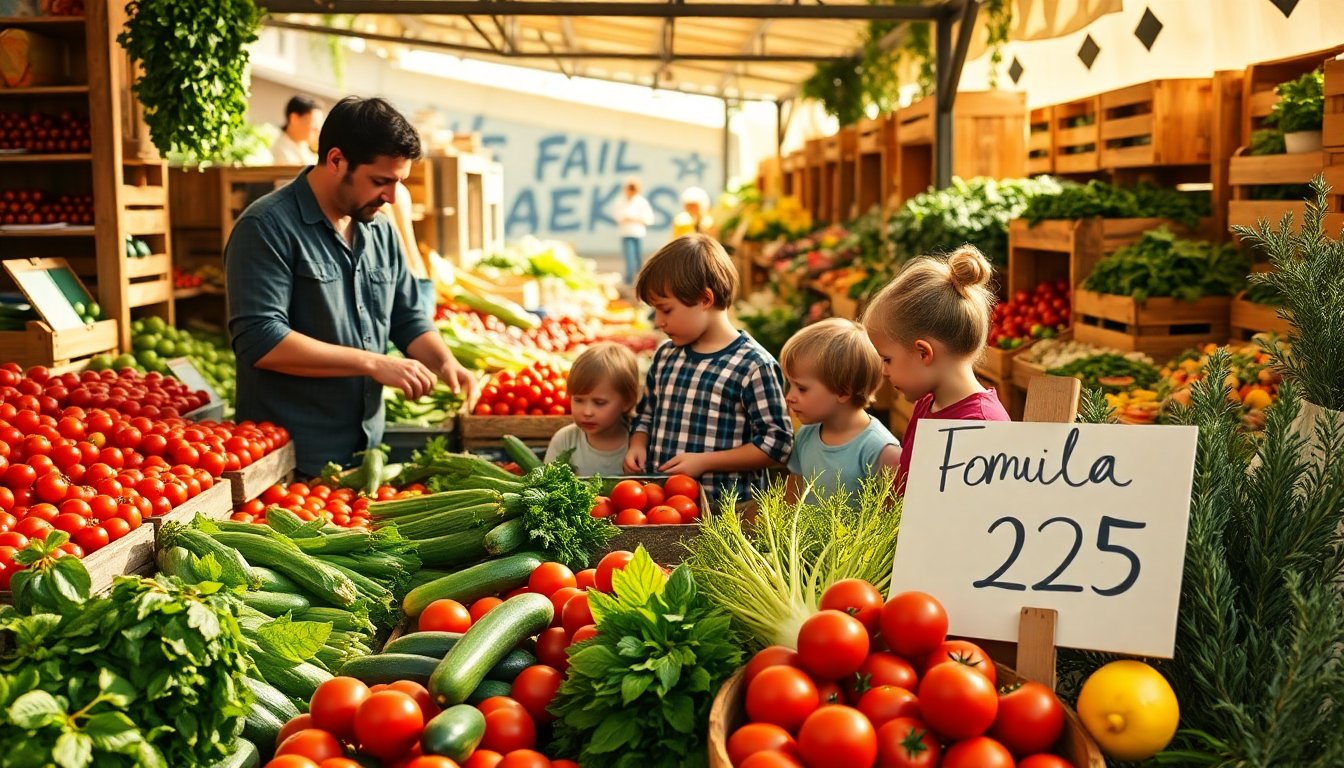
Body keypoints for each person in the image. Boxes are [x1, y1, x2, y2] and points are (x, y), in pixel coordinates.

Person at [226, 96, 476, 477]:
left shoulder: (380, 229)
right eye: (381, 181)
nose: (392, 197)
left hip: (366, 451)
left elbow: (407, 316)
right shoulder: (265, 227)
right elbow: (260, 339)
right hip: (290, 457)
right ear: (336, 160)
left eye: (398, 183)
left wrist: (445, 362)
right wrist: (373, 363)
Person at [624, 234, 793, 508]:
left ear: (704, 299)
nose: (658, 322)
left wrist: (703, 462)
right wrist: (638, 444)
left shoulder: (753, 365)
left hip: (729, 513)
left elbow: (777, 445)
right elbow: (646, 414)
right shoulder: (666, 356)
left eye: (665, 310)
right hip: (665, 509)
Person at [861, 245, 1010, 494]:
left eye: (887, 359)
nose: (883, 371)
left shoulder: (982, 426)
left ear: (923, 353)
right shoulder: (927, 405)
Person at [781, 318, 900, 503]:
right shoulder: (806, 435)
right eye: (790, 385)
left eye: (802, 388)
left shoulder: (879, 450)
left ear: (843, 392)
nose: (789, 396)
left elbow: (891, 515)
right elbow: (793, 495)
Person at [545, 343, 640, 477]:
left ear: (627, 402)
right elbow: (549, 486)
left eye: (599, 403)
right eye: (578, 400)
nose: (587, 412)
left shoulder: (638, 443)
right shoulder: (565, 440)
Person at [612, 178, 654, 285]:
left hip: (638, 233)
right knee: (630, 258)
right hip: (626, 233)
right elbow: (616, 215)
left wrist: (635, 218)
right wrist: (625, 218)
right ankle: (629, 279)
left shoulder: (641, 202)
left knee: (638, 258)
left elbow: (649, 218)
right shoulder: (620, 201)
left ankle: (639, 279)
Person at [270, 95, 321, 166]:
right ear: (294, 119)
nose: (317, 129)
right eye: (314, 122)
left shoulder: (305, 148)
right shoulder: (279, 152)